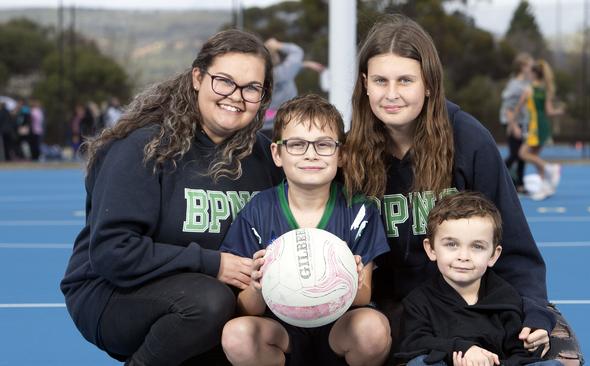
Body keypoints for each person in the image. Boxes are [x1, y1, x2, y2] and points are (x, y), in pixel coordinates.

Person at [342, 14, 582, 365]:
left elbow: (514, 246)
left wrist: (533, 310)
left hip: (473, 301)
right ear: (365, 83)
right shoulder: (352, 154)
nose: (391, 94)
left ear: (428, 84)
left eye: (405, 80)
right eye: (380, 80)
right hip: (403, 312)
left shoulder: (468, 140)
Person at [60, 29, 283, 366]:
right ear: (197, 78)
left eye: (252, 87)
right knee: (207, 303)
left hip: (215, 294)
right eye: (224, 81)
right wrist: (213, 263)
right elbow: (113, 252)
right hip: (114, 291)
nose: (236, 96)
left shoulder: (266, 156)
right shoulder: (146, 148)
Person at [220, 94, 392, 366]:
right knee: (236, 334)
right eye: (297, 144)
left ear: (341, 155)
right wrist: (256, 287)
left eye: (324, 145)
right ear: (277, 153)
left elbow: (364, 297)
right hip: (281, 330)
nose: (311, 154)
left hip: (340, 327)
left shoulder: (359, 210)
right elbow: (246, 308)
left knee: (373, 329)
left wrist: (353, 278)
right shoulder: (259, 210)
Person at [396, 191, 562, 366]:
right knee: (420, 363)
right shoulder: (420, 301)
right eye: (451, 244)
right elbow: (413, 344)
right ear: (431, 249)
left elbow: (519, 351)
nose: (463, 256)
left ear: (493, 255)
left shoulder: (505, 297)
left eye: (477, 246)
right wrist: (462, 349)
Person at [518, 59, 563, 201]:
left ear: (533, 73)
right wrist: (559, 112)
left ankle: (550, 168)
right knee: (534, 156)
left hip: (535, 127)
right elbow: (549, 112)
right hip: (543, 125)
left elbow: (519, 107)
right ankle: (544, 187)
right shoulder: (545, 89)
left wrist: (512, 121)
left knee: (523, 154)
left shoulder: (529, 89)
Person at [500, 53, 533, 194]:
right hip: (514, 123)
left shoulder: (526, 83)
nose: (532, 69)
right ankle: (496, 175)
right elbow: (508, 107)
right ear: (522, 67)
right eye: (530, 66)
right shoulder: (515, 85)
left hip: (523, 122)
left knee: (522, 155)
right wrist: (513, 127)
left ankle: (519, 183)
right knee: (514, 154)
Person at [261, 38, 304, 136]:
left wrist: (303, 65)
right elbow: (297, 52)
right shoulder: (285, 72)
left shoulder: (257, 76)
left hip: (260, 127)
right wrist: (278, 45)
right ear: (276, 58)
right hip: (284, 126)